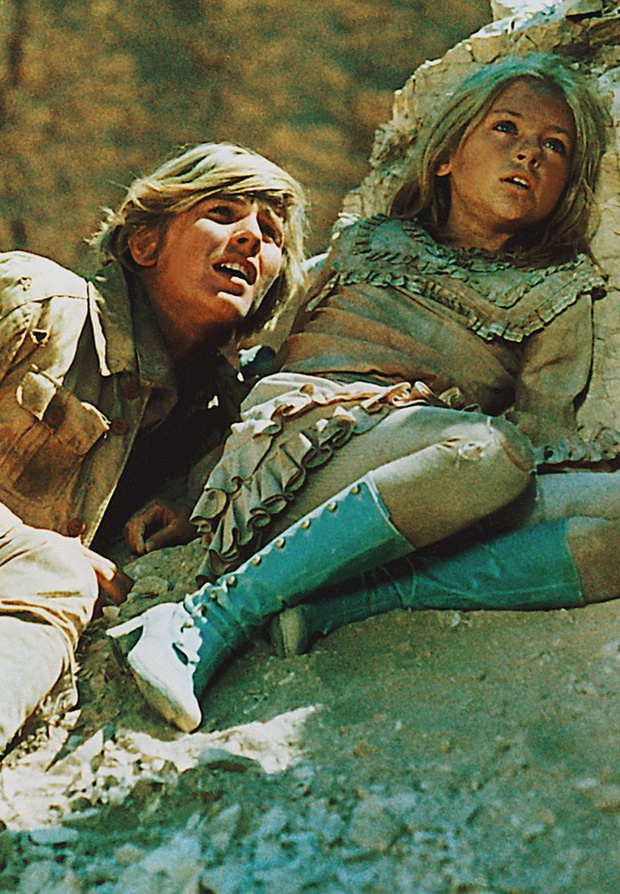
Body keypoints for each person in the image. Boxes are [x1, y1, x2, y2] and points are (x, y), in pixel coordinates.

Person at [109, 54, 620, 734]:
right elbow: (258, 370)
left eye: (554, 146)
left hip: (425, 478)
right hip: (300, 453)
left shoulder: (559, 291)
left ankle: (339, 605)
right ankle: (206, 618)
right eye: (506, 128)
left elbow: (543, 433)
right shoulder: (369, 244)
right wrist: (191, 488)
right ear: (446, 156)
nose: (528, 152)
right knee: (489, 452)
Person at [0, 141, 307, 753]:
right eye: (222, 213)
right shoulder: (34, 303)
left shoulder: (229, 421)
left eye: (271, 234)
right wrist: (31, 549)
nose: (251, 238)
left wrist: (188, 501)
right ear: (144, 243)